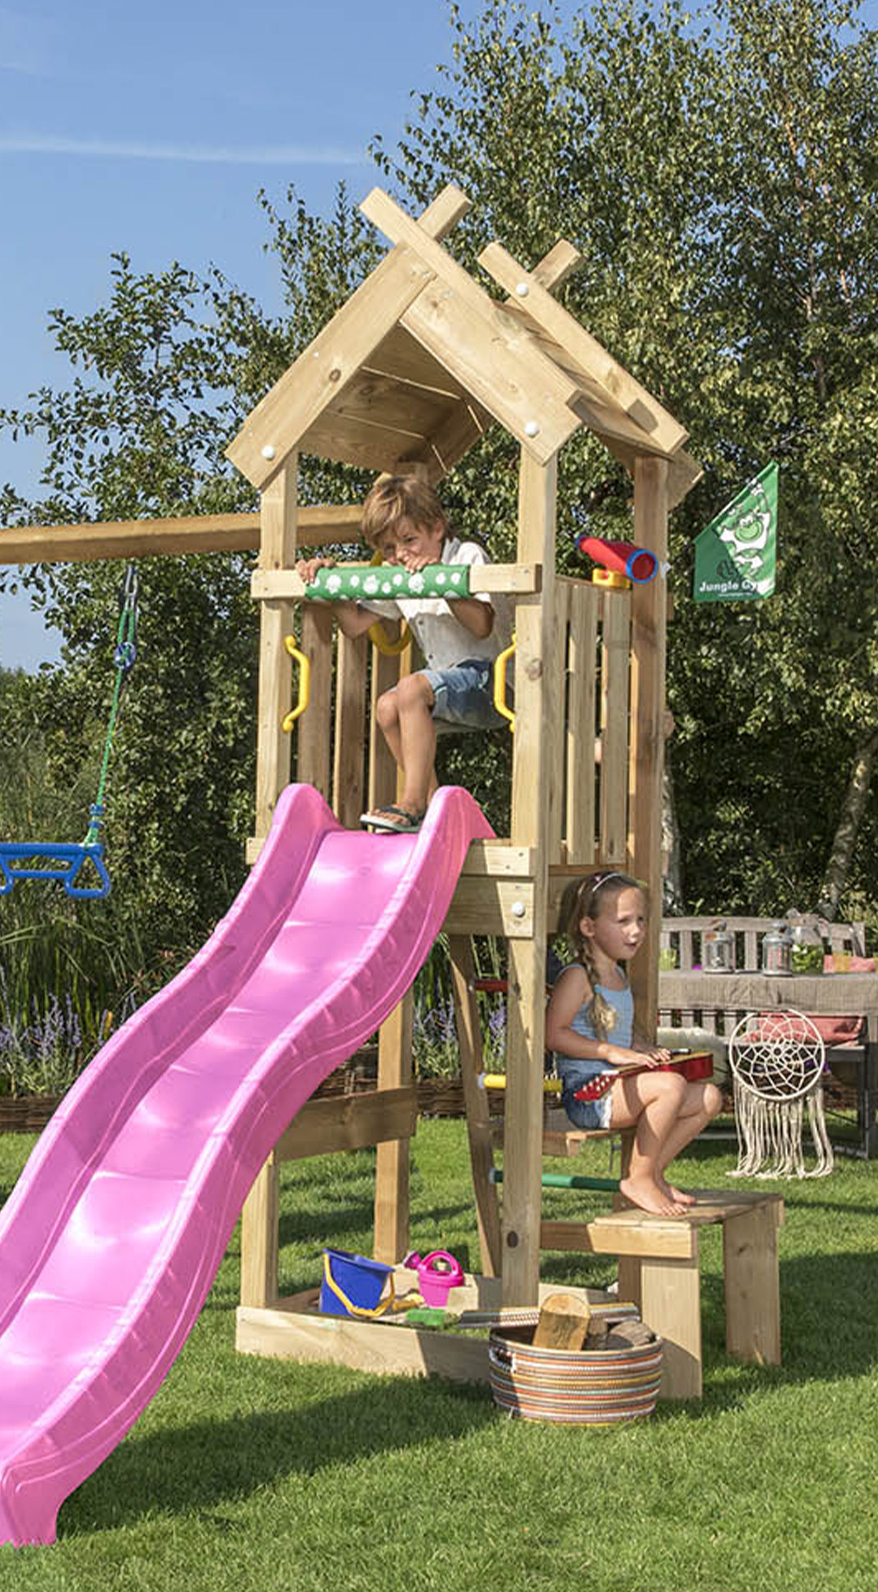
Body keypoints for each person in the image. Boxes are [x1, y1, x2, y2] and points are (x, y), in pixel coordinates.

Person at [297, 473, 510, 833]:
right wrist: (327, 585)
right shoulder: (400, 573)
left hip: (494, 683)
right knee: (387, 707)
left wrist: (441, 580)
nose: (400, 555)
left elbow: (482, 626)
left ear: (437, 528)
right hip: (446, 686)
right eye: (389, 548)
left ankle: (412, 803)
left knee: (411, 688)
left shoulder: (465, 555)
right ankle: (433, 806)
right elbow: (355, 624)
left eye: (409, 540)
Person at [548, 869, 723, 1215]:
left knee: (709, 1097)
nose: (637, 930)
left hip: (617, 1087)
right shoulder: (577, 977)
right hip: (588, 1095)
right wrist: (611, 1052)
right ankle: (638, 1178)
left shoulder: (617, 975)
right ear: (588, 927)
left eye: (640, 920)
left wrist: (642, 1049)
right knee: (670, 1087)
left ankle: (653, 1173)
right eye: (624, 921)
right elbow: (554, 1034)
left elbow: (619, 1031)